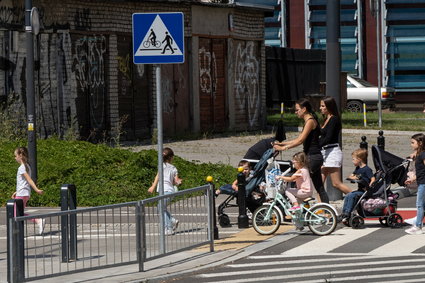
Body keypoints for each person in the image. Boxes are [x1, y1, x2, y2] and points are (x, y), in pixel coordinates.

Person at [273, 98, 329, 203]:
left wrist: (283, 148)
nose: (295, 112)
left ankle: (297, 208)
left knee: (295, 179)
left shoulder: (310, 121)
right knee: (319, 187)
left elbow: (300, 140)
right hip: (314, 157)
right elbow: (298, 139)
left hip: (312, 157)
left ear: (304, 109)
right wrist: (282, 143)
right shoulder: (309, 121)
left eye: (297, 110)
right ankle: (327, 212)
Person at [319, 96, 352, 194]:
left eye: (322, 106)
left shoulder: (334, 119)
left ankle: (358, 198)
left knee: (336, 183)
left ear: (329, 106)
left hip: (332, 152)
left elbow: (328, 138)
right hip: (325, 152)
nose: (320, 108)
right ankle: (321, 209)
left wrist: (316, 145)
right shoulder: (326, 119)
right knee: (319, 184)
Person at [148, 147, 182, 236]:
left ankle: (169, 227)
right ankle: (172, 221)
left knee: (160, 208)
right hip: (168, 191)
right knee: (161, 208)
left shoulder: (164, 166)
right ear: (170, 157)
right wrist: (178, 182)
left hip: (166, 191)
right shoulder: (173, 168)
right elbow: (175, 181)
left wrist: (153, 186)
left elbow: (157, 177)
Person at [12, 147, 45, 235]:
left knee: (16, 214)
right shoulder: (27, 166)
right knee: (19, 213)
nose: (15, 158)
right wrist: (17, 191)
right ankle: (19, 232)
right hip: (24, 193)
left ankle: (38, 220)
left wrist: (37, 190)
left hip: (22, 194)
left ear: (20, 156)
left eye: (16, 156)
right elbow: (24, 182)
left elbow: (29, 180)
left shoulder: (22, 168)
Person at [339, 148, 375, 224]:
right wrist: (355, 177)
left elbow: (373, 178)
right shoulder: (358, 168)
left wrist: (371, 185)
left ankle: (348, 213)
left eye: (353, 159)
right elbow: (351, 176)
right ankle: (344, 212)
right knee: (348, 195)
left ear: (359, 159)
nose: (352, 161)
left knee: (352, 196)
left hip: (365, 191)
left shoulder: (367, 169)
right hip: (359, 190)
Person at [405, 133, 425, 235]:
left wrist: (414, 178)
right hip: (421, 182)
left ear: (420, 143)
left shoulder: (423, 155)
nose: (411, 145)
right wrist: (413, 178)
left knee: (420, 205)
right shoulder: (420, 154)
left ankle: (418, 226)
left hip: (423, 184)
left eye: (413, 143)